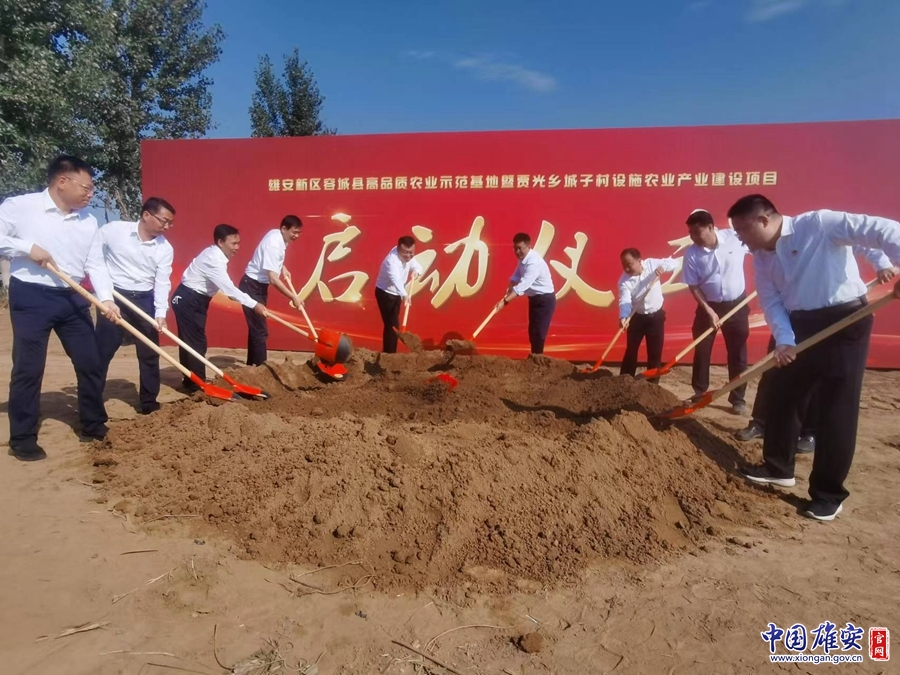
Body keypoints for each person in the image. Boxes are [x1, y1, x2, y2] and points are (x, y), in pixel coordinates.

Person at [728, 194, 900, 521]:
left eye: (743, 230)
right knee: (783, 393)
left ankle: (828, 494)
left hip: (845, 320)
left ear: (763, 220)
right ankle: (778, 467)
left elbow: (884, 230)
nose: (740, 238)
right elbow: (771, 301)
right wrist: (784, 339)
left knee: (836, 407)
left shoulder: (818, 224)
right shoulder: (761, 258)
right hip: (799, 324)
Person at [0, 155, 120, 461]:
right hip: (31, 296)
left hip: (73, 296)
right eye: (86, 187)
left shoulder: (88, 221)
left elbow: (95, 263)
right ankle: (22, 437)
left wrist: (106, 299)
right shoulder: (20, 207)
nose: (90, 194)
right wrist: (27, 248)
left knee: (90, 361)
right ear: (62, 182)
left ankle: (93, 424)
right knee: (29, 367)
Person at [736, 248, 898, 450]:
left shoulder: (815, 236)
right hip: (788, 319)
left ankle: (809, 433)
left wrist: (881, 262)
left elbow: (861, 239)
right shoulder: (765, 255)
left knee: (815, 376)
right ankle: (760, 423)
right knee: (772, 372)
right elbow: (770, 297)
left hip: (826, 317)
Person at [94, 198, 175, 415]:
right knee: (103, 351)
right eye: (164, 221)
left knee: (150, 352)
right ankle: (92, 401)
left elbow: (162, 281)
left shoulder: (165, 248)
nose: (167, 227)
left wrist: (160, 313)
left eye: (170, 223)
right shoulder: (113, 231)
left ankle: (149, 403)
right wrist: (103, 295)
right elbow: (94, 259)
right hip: (114, 297)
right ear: (146, 215)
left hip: (144, 299)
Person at [171, 224, 267, 390]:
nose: (237, 247)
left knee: (190, 342)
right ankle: (197, 385)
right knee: (196, 343)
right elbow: (229, 289)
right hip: (188, 300)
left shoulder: (217, 256)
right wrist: (255, 305)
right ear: (221, 242)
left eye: (238, 243)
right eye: (233, 243)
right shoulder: (214, 259)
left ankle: (191, 381)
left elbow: (227, 290)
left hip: (195, 300)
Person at [682, 209, 751, 414]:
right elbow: (693, 286)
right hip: (708, 306)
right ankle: (699, 392)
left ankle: (737, 398)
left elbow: (759, 249)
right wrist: (709, 311)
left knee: (737, 353)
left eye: (697, 232)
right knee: (702, 350)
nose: (693, 237)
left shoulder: (735, 239)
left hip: (736, 305)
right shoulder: (692, 254)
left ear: (711, 227)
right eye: (690, 233)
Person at [239, 215, 304, 366]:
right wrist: (293, 297)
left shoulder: (278, 235)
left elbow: (270, 258)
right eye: (294, 232)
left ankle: (251, 367)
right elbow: (273, 279)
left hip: (258, 286)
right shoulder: (274, 243)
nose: (296, 236)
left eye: (299, 233)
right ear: (284, 229)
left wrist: (282, 267)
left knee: (256, 329)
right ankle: (262, 369)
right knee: (260, 331)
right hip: (251, 287)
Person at [617, 248, 677, 382]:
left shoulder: (651, 264)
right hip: (636, 317)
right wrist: (624, 316)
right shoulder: (624, 281)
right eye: (624, 265)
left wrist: (663, 268)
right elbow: (625, 300)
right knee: (631, 351)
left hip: (656, 317)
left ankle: (652, 386)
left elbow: (674, 263)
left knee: (655, 353)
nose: (626, 268)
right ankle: (624, 382)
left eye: (629, 264)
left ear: (639, 261)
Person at [494, 232, 556, 354]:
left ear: (528, 246)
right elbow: (516, 276)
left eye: (520, 248)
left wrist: (504, 302)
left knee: (539, 332)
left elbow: (522, 287)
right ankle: (534, 357)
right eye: (515, 248)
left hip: (545, 300)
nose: (517, 252)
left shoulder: (533, 262)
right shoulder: (522, 259)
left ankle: (538, 359)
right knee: (533, 331)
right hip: (534, 299)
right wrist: (510, 287)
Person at [374, 236, 423, 353]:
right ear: (398, 249)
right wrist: (404, 295)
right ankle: (390, 355)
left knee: (391, 325)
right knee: (393, 327)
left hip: (396, 294)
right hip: (386, 294)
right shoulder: (392, 261)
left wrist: (416, 272)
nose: (409, 255)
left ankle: (388, 353)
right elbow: (395, 279)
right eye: (405, 252)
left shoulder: (409, 257)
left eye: (411, 252)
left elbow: (417, 266)